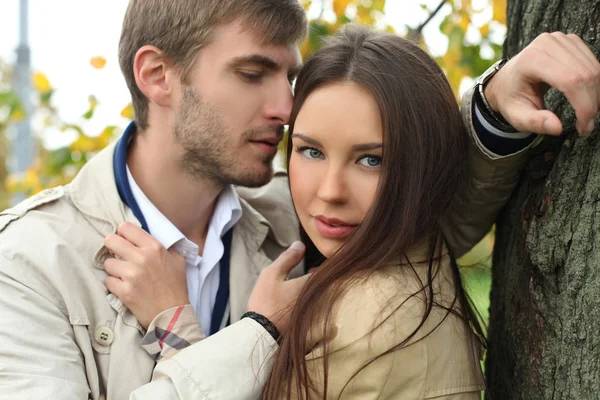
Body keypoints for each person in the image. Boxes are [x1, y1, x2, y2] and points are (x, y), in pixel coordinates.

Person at [0, 0, 597, 397]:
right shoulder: (29, 263)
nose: (287, 108)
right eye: (253, 73)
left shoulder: (300, 214)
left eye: (289, 76)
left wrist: (494, 107)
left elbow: (416, 199)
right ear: (157, 75)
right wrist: (260, 330)